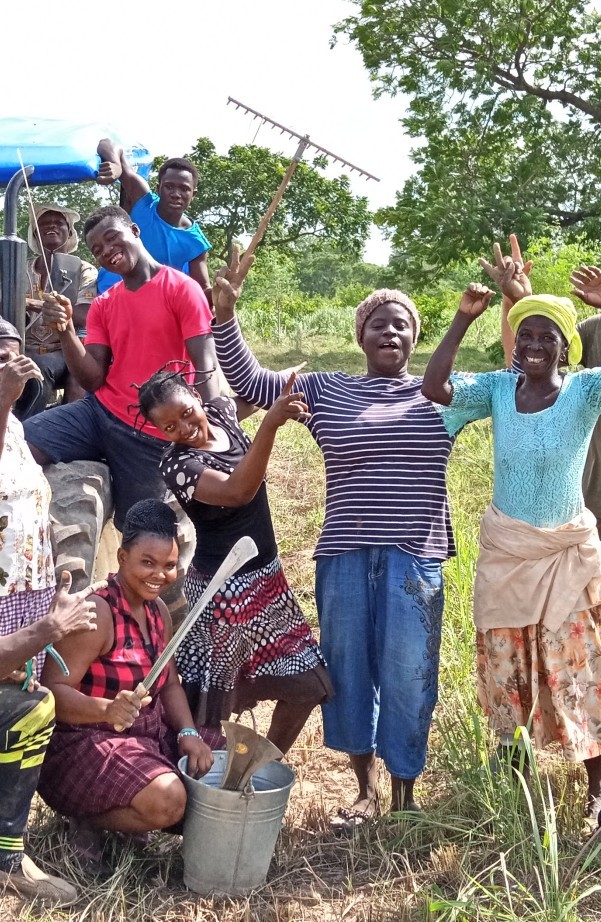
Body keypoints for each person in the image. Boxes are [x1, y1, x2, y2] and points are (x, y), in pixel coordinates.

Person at [205, 248, 458, 830]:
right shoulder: (327, 390)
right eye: (378, 323)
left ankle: (405, 791)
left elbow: (523, 379)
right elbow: (252, 381)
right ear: (361, 336)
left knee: (408, 672)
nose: (390, 331)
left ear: (414, 338)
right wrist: (225, 315)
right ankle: (363, 787)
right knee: (346, 672)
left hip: (414, 557)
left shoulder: (442, 392)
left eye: (401, 324)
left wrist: (513, 303)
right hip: (344, 553)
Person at [422, 260, 601, 820]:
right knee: (504, 669)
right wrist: (462, 319)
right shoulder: (499, 391)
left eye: (546, 337)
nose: (533, 344)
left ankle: (597, 785)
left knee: (577, 668)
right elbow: (435, 386)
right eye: (525, 334)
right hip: (507, 554)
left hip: (564, 556)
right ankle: (515, 781)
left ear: (565, 348)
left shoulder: (586, 391)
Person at [134, 366, 334, 754]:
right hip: (220, 592)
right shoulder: (177, 466)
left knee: (308, 684)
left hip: (267, 580)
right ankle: (198, 785)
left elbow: (256, 385)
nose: (184, 428)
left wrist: (289, 378)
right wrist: (271, 425)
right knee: (210, 704)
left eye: (186, 413)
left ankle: (255, 768)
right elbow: (239, 490)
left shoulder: (223, 412)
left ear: (196, 396)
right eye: (170, 427)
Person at [38, 499, 213, 874]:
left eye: (168, 566)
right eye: (147, 563)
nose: (159, 575)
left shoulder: (158, 612)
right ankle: (87, 818)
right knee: (171, 801)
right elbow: (51, 691)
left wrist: (187, 732)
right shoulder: (97, 615)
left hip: (143, 738)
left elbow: (169, 686)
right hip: (84, 745)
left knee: (225, 763)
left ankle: (130, 810)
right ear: (121, 556)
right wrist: (106, 709)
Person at [22, 205, 218, 531]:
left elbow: (205, 365)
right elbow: (92, 378)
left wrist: (217, 427)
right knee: (18, 443)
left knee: (143, 530)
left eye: (113, 239)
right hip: (99, 414)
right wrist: (66, 330)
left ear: (135, 232)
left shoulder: (182, 288)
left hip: (153, 434)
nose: (107, 251)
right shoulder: (104, 304)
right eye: (98, 249)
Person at [0, 317, 105, 906]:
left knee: (23, 710)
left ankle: (7, 852)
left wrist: (50, 574)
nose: (13, 367)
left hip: (22, 596)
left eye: (16, 357)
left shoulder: (17, 426)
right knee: (24, 705)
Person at [500, 236, 601, 586]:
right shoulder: (599, 329)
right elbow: (530, 362)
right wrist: (518, 299)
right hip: (600, 496)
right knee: (592, 605)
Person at [96, 140, 211, 295]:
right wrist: (116, 166)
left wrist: (222, 290)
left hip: (143, 307)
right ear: (158, 188)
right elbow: (107, 143)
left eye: (184, 189)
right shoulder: (143, 202)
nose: (176, 194)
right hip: (105, 295)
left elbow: (202, 291)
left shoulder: (196, 243)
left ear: (193, 195)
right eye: (169, 187)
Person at [15, 204, 97, 419]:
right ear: (35, 233)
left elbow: (84, 315)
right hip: (21, 345)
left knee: (37, 369)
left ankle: (26, 433)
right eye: (44, 222)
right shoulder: (20, 267)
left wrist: (31, 303)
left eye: (58, 222)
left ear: (69, 232)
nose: (51, 225)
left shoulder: (84, 270)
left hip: (60, 349)